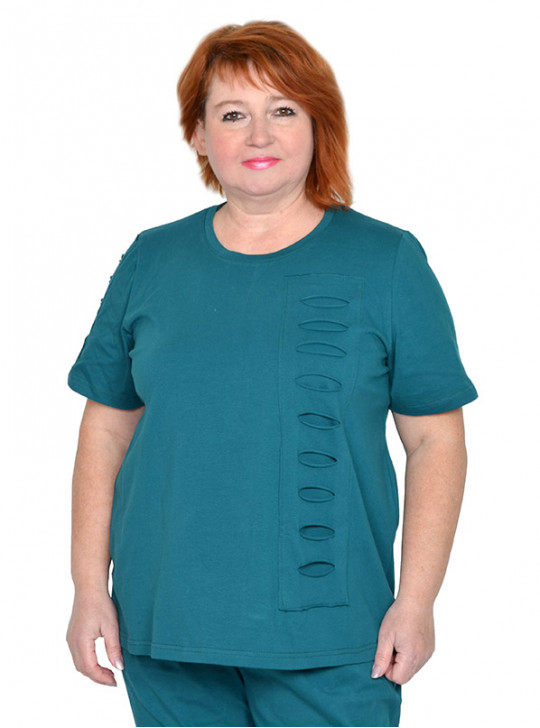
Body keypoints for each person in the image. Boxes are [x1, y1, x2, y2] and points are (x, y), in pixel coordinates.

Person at [66, 20, 478, 728]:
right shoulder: (151, 260)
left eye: (283, 110)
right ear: (199, 135)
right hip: (167, 625)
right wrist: (86, 588)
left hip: (335, 635)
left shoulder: (387, 261)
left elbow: (435, 441)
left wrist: (417, 601)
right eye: (233, 115)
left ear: (317, 124)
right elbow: (105, 434)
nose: (259, 134)